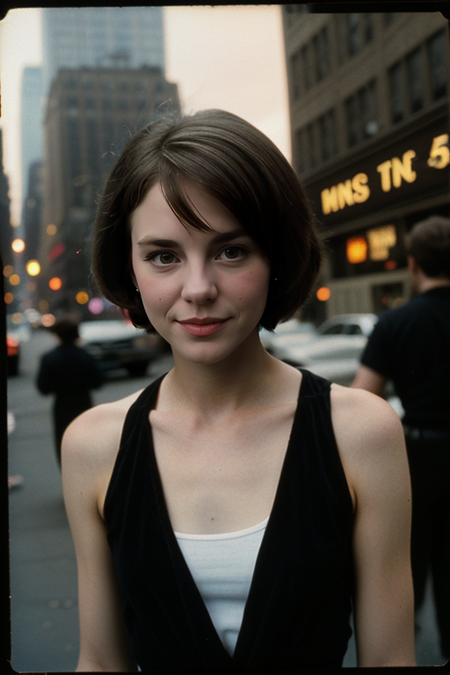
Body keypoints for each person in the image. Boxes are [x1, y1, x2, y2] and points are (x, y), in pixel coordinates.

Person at [61, 109, 415, 671]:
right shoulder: (92, 445)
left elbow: (392, 659)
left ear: (275, 256)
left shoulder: (361, 432)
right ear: (128, 267)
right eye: (163, 256)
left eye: (231, 251)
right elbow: (100, 662)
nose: (198, 289)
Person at [352, 214, 450, 662]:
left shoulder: (396, 324)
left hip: (416, 461)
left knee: (402, 575)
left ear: (413, 266)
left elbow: (361, 399)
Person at [37, 314, 104, 465]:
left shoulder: (49, 358)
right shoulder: (85, 356)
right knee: (87, 445)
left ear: (57, 335)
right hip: (84, 403)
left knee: (64, 445)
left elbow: (43, 388)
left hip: (62, 406)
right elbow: (98, 382)